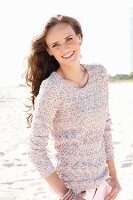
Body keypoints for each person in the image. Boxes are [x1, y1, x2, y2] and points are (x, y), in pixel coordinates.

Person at [25, 14, 121, 200]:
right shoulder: (52, 88)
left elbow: (105, 128)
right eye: (55, 45)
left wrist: (114, 176)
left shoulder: (99, 74)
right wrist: (66, 194)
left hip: (105, 189)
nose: (65, 48)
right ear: (49, 51)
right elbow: (35, 149)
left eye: (69, 39)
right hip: (75, 193)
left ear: (80, 37)